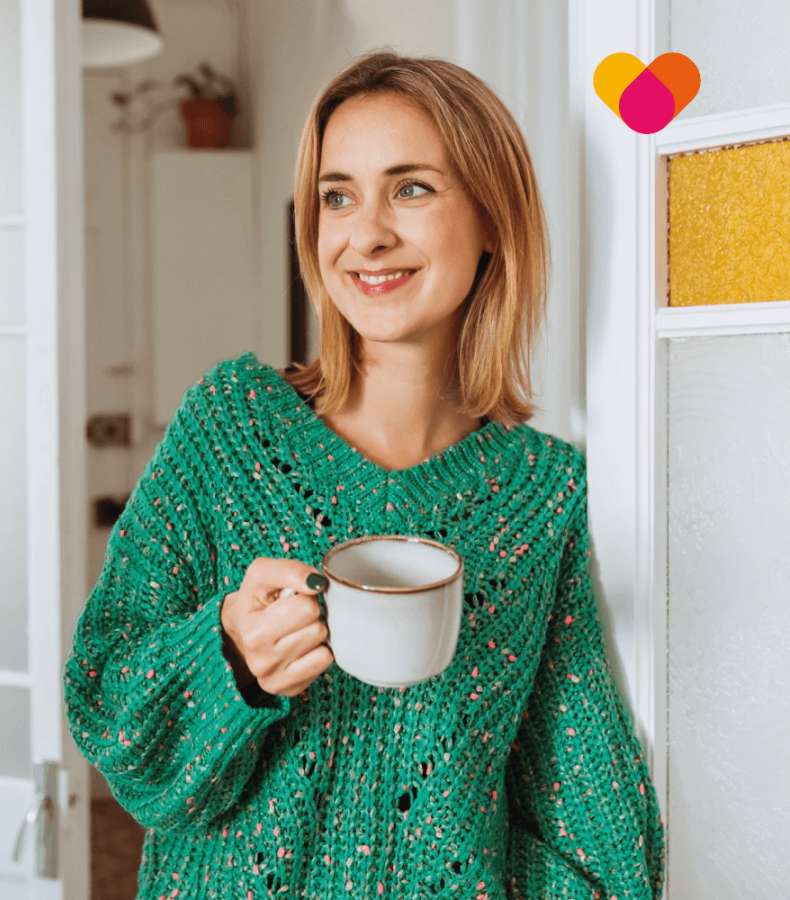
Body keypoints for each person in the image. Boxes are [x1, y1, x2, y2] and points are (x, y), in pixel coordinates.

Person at [63, 49, 665, 900]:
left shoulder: (540, 493)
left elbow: (591, 833)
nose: (366, 233)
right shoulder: (229, 429)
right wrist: (229, 658)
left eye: (411, 188)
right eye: (337, 196)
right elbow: (110, 713)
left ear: (494, 217)